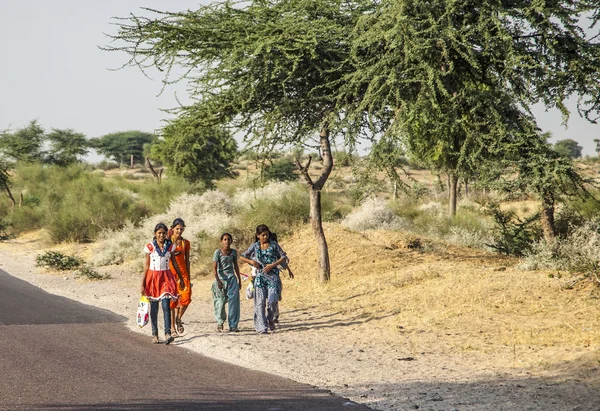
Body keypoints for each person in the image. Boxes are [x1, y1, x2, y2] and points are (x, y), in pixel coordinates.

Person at [240, 225, 289, 334]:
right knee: (260, 303)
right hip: (260, 278)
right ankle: (262, 327)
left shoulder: (274, 245)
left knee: (272, 300)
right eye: (263, 235)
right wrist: (252, 262)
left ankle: (270, 317)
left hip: (273, 277)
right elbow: (242, 256)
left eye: (267, 234)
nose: (265, 237)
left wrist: (272, 265)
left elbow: (283, 256)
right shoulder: (255, 246)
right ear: (258, 236)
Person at [140, 222, 184, 345]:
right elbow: (146, 266)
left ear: (166, 234)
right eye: (159, 233)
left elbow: (174, 263)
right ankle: (154, 334)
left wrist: (180, 277)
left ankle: (167, 333)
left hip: (166, 277)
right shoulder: (150, 247)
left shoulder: (170, 247)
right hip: (153, 279)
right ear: (155, 234)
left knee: (166, 306)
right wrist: (143, 284)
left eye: (164, 233)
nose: (161, 235)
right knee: (154, 308)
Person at [212, 233, 242, 332]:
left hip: (232, 279)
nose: (227, 241)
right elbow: (214, 268)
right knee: (220, 302)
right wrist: (218, 281)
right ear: (221, 241)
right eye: (225, 239)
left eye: (229, 239)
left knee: (234, 302)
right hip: (221, 279)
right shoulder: (217, 252)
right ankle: (220, 322)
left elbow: (236, 266)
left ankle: (233, 325)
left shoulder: (233, 252)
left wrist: (239, 280)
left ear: (231, 241)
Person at [169, 218, 191, 337]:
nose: (179, 231)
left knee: (186, 298)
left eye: (181, 229)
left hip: (183, 275)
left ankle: (178, 318)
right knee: (172, 302)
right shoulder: (168, 242)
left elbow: (187, 260)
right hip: (171, 275)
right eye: (177, 229)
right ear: (172, 229)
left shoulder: (185, 243)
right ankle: (172, 328)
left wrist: (188, 275)